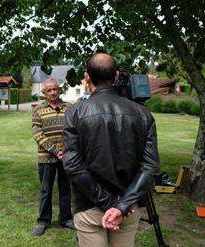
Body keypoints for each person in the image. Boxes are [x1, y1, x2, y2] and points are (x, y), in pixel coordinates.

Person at [63, 53, 160, 247]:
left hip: (92, 205)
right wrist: (119, 206)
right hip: (126, 207)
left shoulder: (75, 111)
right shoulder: (142, 113)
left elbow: (72, 164)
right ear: (116, 76)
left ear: (87, 77)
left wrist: (112, 205)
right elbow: (150, 166)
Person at [32, 78, 75, 236]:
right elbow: (37, 134)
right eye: (49, 90)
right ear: (44, 93)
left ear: (59, 90)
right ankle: (43, 221)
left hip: (66, 157)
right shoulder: (37, 109)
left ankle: (66, 219)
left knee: (65, 189)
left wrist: (66, 150)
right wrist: (55, 151)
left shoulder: (69, 108)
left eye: (55, 89)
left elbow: (74, 131)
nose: (52, 92)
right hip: (46, 158)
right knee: (46, 190)